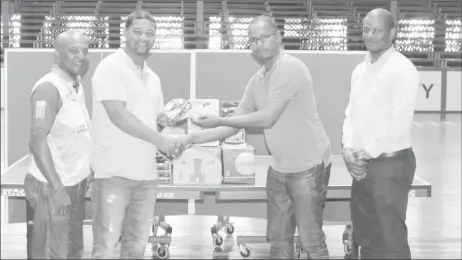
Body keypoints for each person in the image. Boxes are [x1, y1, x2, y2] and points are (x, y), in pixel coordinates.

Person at [179, 14, 332, 259]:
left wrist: (220, 119)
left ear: (278, 37)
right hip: (279, 170)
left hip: (308, 168)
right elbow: (233, 126)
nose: (258, 44)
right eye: (252, 40)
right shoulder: (257, 80)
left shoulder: (290, 68)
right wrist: (192, 139)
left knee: (310, 240)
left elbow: (267, 118)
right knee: (279, 240)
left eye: (264, 37)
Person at [90, 10, 183, 259]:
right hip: (112, 175)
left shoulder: (153, 78)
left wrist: (162, 124)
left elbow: (149, 126)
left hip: (146, 178)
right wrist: (160, 139)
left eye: (150, 33)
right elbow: (119, 116)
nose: (144, 37)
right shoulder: (110, 67)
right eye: (138, 31)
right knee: (106, 249)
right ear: (125, 32)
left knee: (136, 247)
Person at [341, 8, 419, 259]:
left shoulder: (402, 69)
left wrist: (365, 154)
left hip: (390, 165)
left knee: (390, 238)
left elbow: (399, 122)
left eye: (377, 30)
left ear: (392, 33)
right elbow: (350, 114)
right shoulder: (359, 71)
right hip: (362, 167)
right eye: (366, 29)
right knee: (366, 236)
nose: (370, 35)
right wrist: (347, 149)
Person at [24, 30, 92, 259]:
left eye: (84, 51)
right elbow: (37, 140)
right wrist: (57, 188)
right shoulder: (48, 88)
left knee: (71, 251)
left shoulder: (75, 86)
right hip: (52, 186)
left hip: (73, 183)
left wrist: (85, 169)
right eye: (73, 51)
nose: (80, 56)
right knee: (52, 253)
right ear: (57, 55)